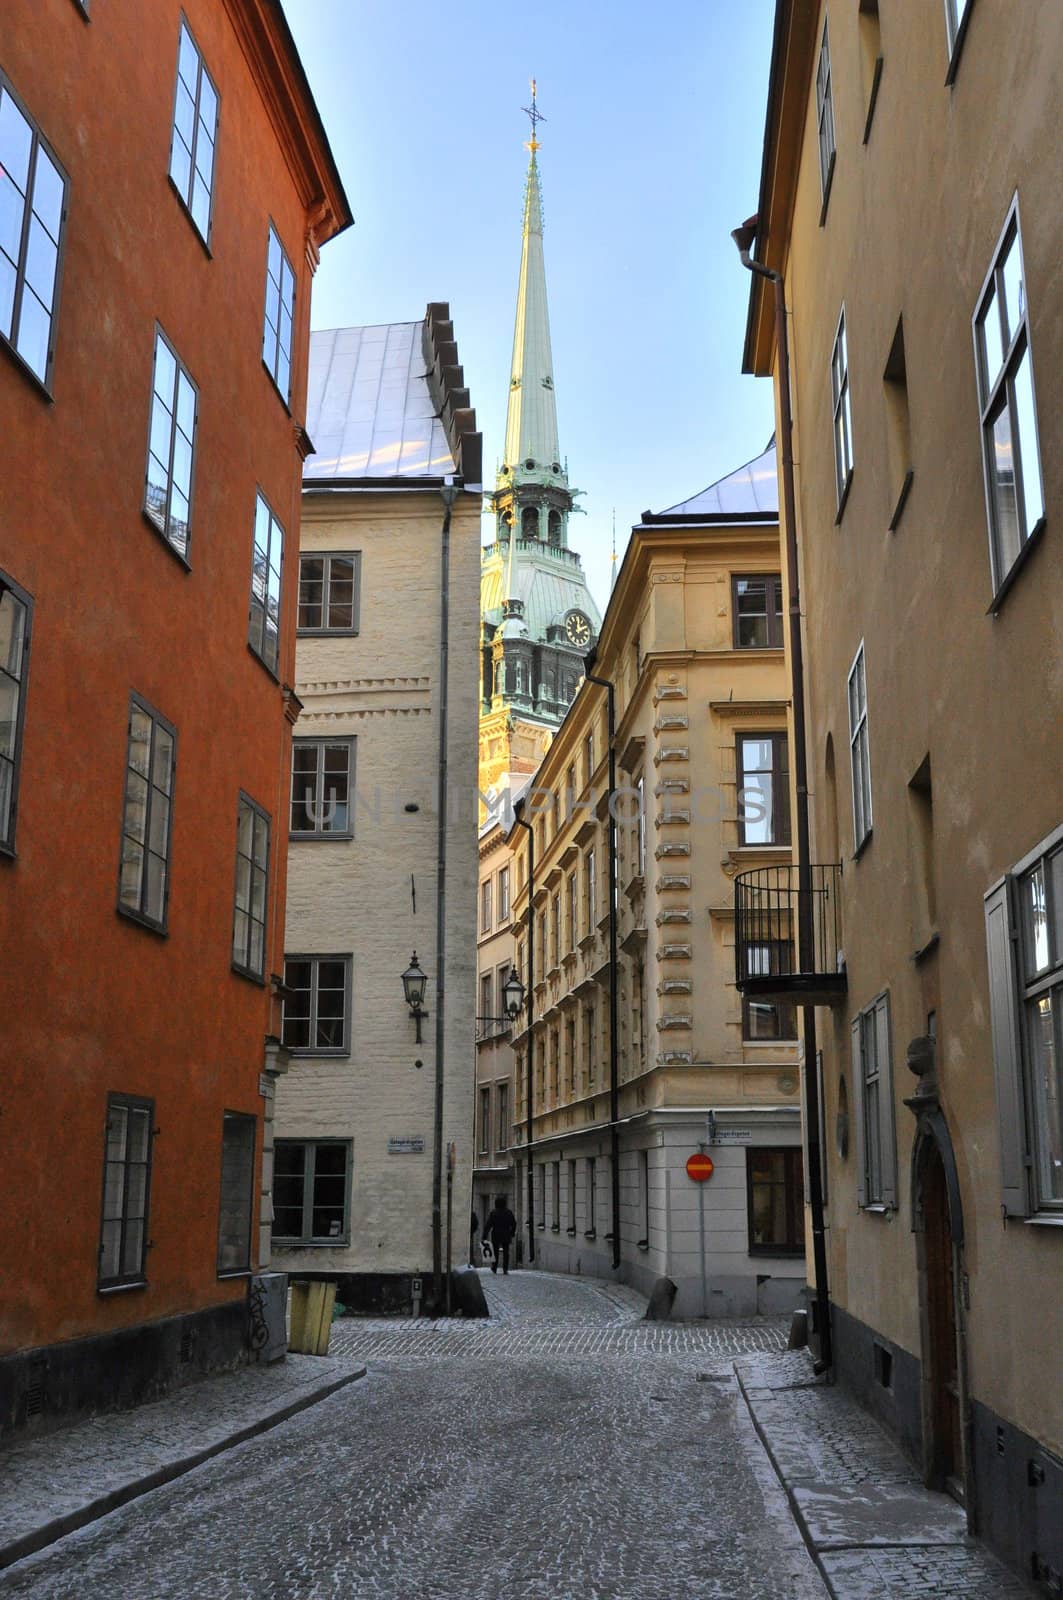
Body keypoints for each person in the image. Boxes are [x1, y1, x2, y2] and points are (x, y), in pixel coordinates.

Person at [482, 1195, 517, 1275]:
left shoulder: (494, 1213)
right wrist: (512, 1233)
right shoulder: (508, 1212)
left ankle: (494, 1267)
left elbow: (488, 1224)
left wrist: (485, 1235)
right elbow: (514, 1223)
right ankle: (505, 1268)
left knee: (495, 1251)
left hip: (496, 1234)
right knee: (506, 1252)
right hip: (506, 1234)